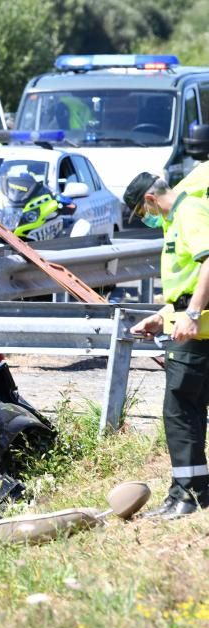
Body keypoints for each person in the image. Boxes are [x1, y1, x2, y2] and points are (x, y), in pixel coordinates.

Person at [127, 171, 209, 518]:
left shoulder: (189, 212)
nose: (144, 219)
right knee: (186, 412)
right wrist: (162, 316)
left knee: (180, 412)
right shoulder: (176, 219)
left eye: (139, 212)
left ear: (149, 199)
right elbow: (185, 283)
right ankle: (189, 494)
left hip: (196, 330)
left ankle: (188, 497)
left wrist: (191, 313)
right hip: (191, 328)